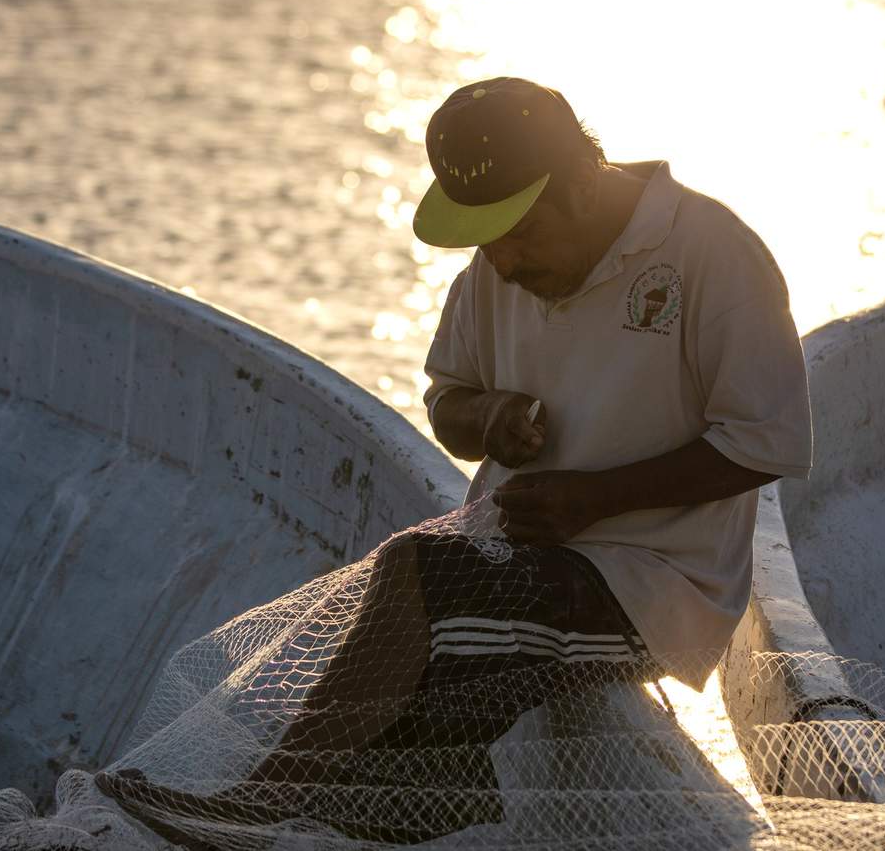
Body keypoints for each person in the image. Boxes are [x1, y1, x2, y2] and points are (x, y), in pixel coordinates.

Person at [95, 76, 812, 846]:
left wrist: (594, 498)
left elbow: (764, 441)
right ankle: (431, 807)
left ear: (577, 182)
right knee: (417, 688)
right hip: (519, 559)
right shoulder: (493, 271)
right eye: (485, 235)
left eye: (516, 231)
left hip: (654, 586)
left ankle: (263, 798)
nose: (500, 259)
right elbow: (448, 402)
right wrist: (489, 418)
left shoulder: (712, 252)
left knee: (418, 570)